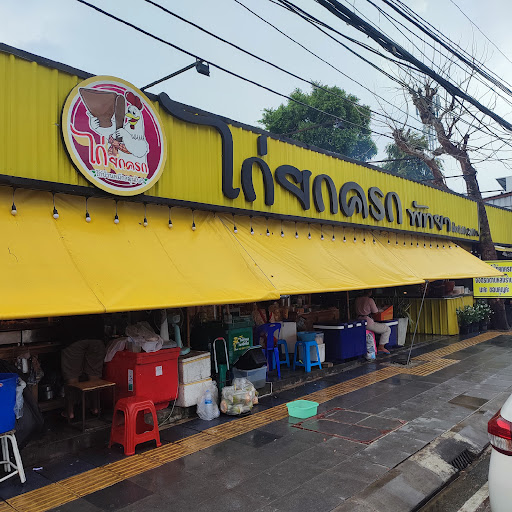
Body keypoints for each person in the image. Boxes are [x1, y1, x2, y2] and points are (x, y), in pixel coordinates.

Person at [60, 315, 106, 420]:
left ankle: (70, 412)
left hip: (73, 336)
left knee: (72, 377)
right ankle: (95, 407)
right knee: (95, 376)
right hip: (96, 334)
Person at [354, 290, 391, 354]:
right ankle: (381, 347)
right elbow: (375, 312)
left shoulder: (357, 300)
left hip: (359, 321)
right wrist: (382, 309)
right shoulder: (370, 300)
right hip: (368, 322)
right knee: (387, 329)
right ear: (369, 292)